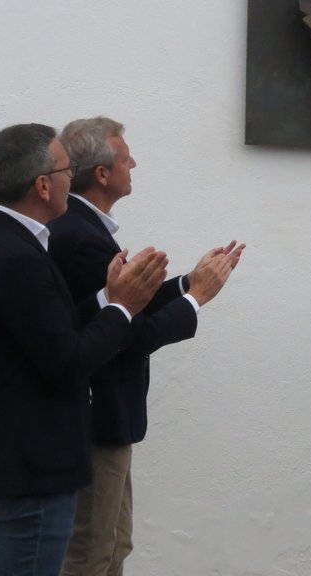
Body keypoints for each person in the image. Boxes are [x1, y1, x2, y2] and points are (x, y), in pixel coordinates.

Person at [0, 123, 169, 576]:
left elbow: (49, 332)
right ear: (43, 185)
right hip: (32, 465)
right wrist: (123, 308)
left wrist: (107, 298)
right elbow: (69, 363)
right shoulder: (14, 256)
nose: (76, 177)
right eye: (68, 169)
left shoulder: (6, 242)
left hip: (25, 460)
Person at [48, 117, 245, 576]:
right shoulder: (80, 240)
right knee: (91, 555)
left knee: (113, 546)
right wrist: (197, 299)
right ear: (101, 173)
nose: (133, 163)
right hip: (96, 421)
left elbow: (126, 305)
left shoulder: (83, 230)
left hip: (103, 421)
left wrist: (186, 283)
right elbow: (121, 335)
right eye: (124, 156)